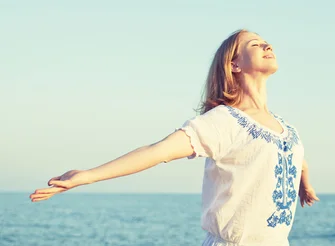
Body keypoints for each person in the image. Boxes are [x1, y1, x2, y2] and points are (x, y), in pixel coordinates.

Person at [30, 29, 319, 246]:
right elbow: (158, 151)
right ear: (234, 64)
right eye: (255, 44)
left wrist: (304, 184)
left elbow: (295, 155)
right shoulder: (223, 122)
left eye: (266, 41)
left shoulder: (285, 128)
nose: (267, 45)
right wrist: (87, 176)